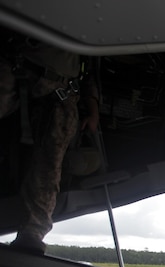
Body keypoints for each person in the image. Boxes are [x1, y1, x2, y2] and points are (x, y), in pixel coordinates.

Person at [1, 33, 100, 254]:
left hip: (60, 92)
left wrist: (92, 110)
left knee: (48, 165)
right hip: (14, 70)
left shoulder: (86, 25)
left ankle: (32, 233)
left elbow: (90, 68)